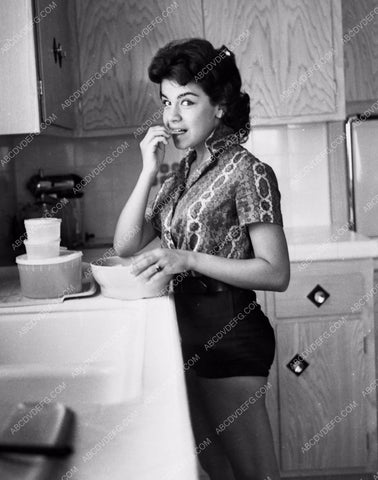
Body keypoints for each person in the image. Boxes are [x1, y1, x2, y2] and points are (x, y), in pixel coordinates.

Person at [114, 38, 290, 480]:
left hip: (230, 335)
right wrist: (147, 172)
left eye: (187, 101)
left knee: (255, 474)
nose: (172, 117)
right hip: (187, 334)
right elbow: (126, 244)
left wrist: (186, 259)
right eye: (166, 102)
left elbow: (276, 272)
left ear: (221, 104)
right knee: (213, 470)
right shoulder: (181, 173)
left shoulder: (249, 172)